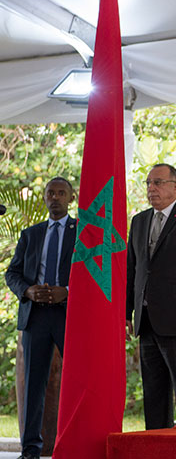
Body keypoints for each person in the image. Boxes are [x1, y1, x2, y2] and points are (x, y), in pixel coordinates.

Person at [5, 177, 76, 459]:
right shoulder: (30, 234)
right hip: (35, 317)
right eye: (50, 193)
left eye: (61, 193)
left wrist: (67, 292)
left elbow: (93, 274)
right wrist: (28, 291)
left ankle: (74, 444)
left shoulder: (82, 233)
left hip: (69, 317)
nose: (55, 197)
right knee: (33, 386)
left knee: (76, 381)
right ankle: (30, 450)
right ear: (45, 198)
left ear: (71, 198)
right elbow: (12, 273)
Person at [126, 163, 176, 429]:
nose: (151, 189)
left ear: (175, 186)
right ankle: (154, 445)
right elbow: (133, 269)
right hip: (146, 320)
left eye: (157, 183)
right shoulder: (140, 220)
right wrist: (126, 312)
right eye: (148, 183)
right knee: (153, 392)